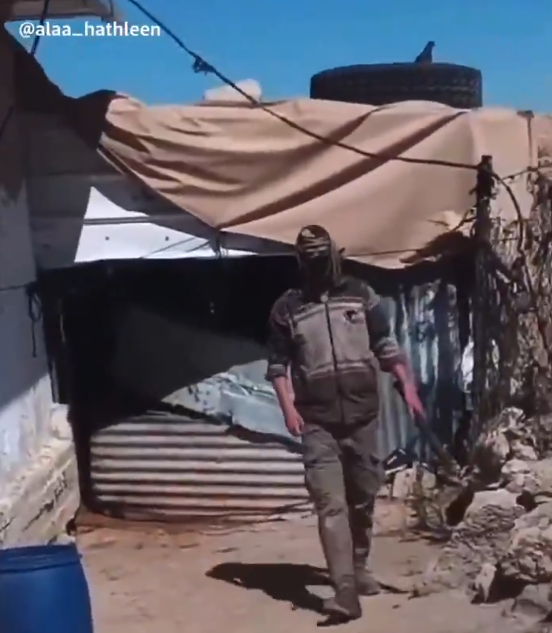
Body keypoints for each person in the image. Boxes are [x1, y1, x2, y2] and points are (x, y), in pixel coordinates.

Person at [265, 225, 424, 622]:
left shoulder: (360, 294)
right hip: (318, 423)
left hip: (362, 416)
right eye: (310, 258)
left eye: (322, 257)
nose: (318, 265)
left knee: (363, 496)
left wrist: (407, 386)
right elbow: (278, 365)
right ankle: (345, 591)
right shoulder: (287, 308)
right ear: (301, 261)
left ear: (334, 255)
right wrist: (288, 408)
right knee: (330, 504)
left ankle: (359, 565)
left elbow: (385, 345)